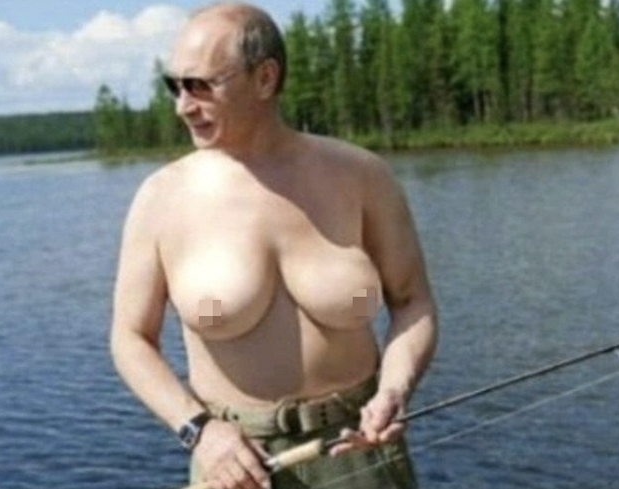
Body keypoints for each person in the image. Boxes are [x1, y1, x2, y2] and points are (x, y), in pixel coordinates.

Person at [109, 2, 437, 488]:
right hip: (233, 464)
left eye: (201, 85)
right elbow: (131, 339)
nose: (183, 105)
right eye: (174, 86)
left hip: (361, 449)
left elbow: (412, 303)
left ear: (264, 78)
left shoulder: (361, 176)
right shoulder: (161, 199)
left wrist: (393, 389)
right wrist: (200, 431)